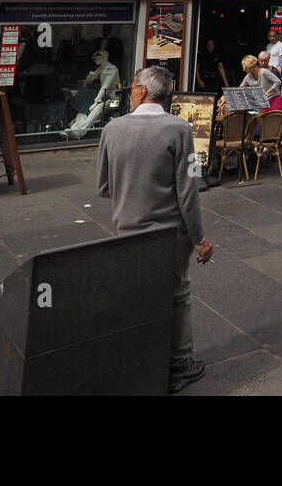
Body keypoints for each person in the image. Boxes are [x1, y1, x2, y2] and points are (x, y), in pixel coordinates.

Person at [96, 65, 213, 394]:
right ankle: (178, 363)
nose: (131, 91)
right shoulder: (178, 129)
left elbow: (105, 187)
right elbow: (187, 192)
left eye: (133, 87)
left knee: (137, 294)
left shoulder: (112, 129)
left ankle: (139, 360)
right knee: (177, 294)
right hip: (167, 231)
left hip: (126, 228)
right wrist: (199, 239)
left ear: (143, 92)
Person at [64, 49, 121, 138]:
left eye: (97, 58)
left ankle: (80, 132)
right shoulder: (100, 69)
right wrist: (90, 75)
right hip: (104, 98)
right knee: (85, 108)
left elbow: (105, 86)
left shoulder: (112, 69)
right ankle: (73, 130)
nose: (95, 60)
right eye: (94, 59)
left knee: (98, 107)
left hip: (115, 100)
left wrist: (96, 102)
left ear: (104, 58)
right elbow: (88, 81)